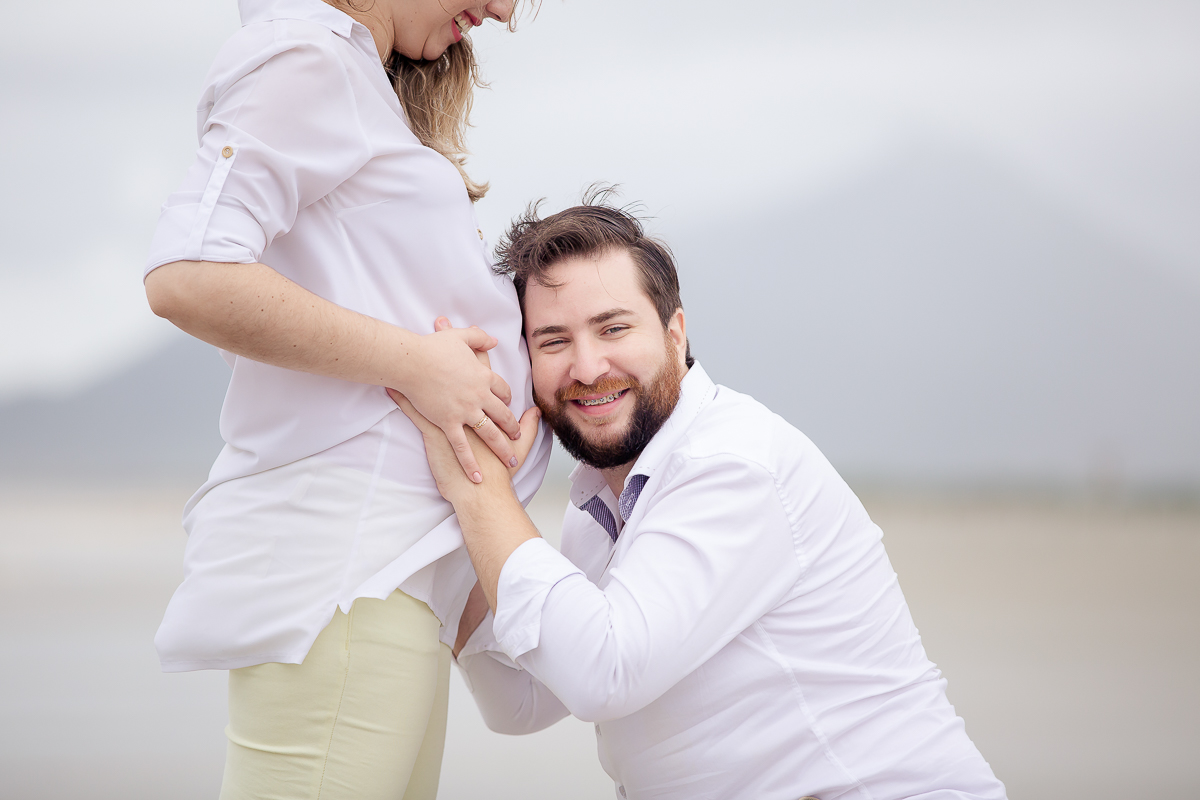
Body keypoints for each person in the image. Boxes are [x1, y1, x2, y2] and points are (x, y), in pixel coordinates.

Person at [392, 198, 1010, 799]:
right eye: (552, 341)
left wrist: (480, 494)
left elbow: (602, 674)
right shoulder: (604, 506)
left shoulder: (731, 464)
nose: (586, 366)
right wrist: (464, 484)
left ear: (674, 332)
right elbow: (519, 702)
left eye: (613, 327)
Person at [142, 1, 549, 797]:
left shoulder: (352, 73)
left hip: (388, 582)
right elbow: (186, 272)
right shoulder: (310, 59)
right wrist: (421, 367)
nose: (503, 11)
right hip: (347, 578)